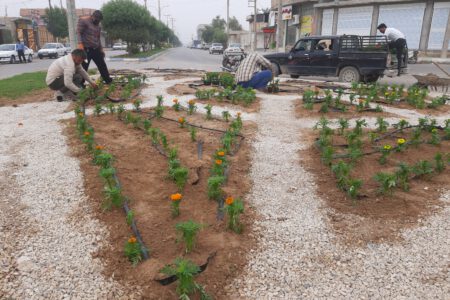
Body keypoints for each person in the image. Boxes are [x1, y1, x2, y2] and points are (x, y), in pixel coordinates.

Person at [77, 10, 112, 84]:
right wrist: (80, 44)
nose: (98, 22)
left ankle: (107, 80)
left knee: (102, 65)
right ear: (93, 16)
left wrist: (101, 49)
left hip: (96, 49)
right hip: (86, 50)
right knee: (84, 67)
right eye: (97, 20)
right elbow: (79, 32)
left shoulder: (98, 26)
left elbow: (98, 38)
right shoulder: (83, 20)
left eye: (99, 20)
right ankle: (80, 84)